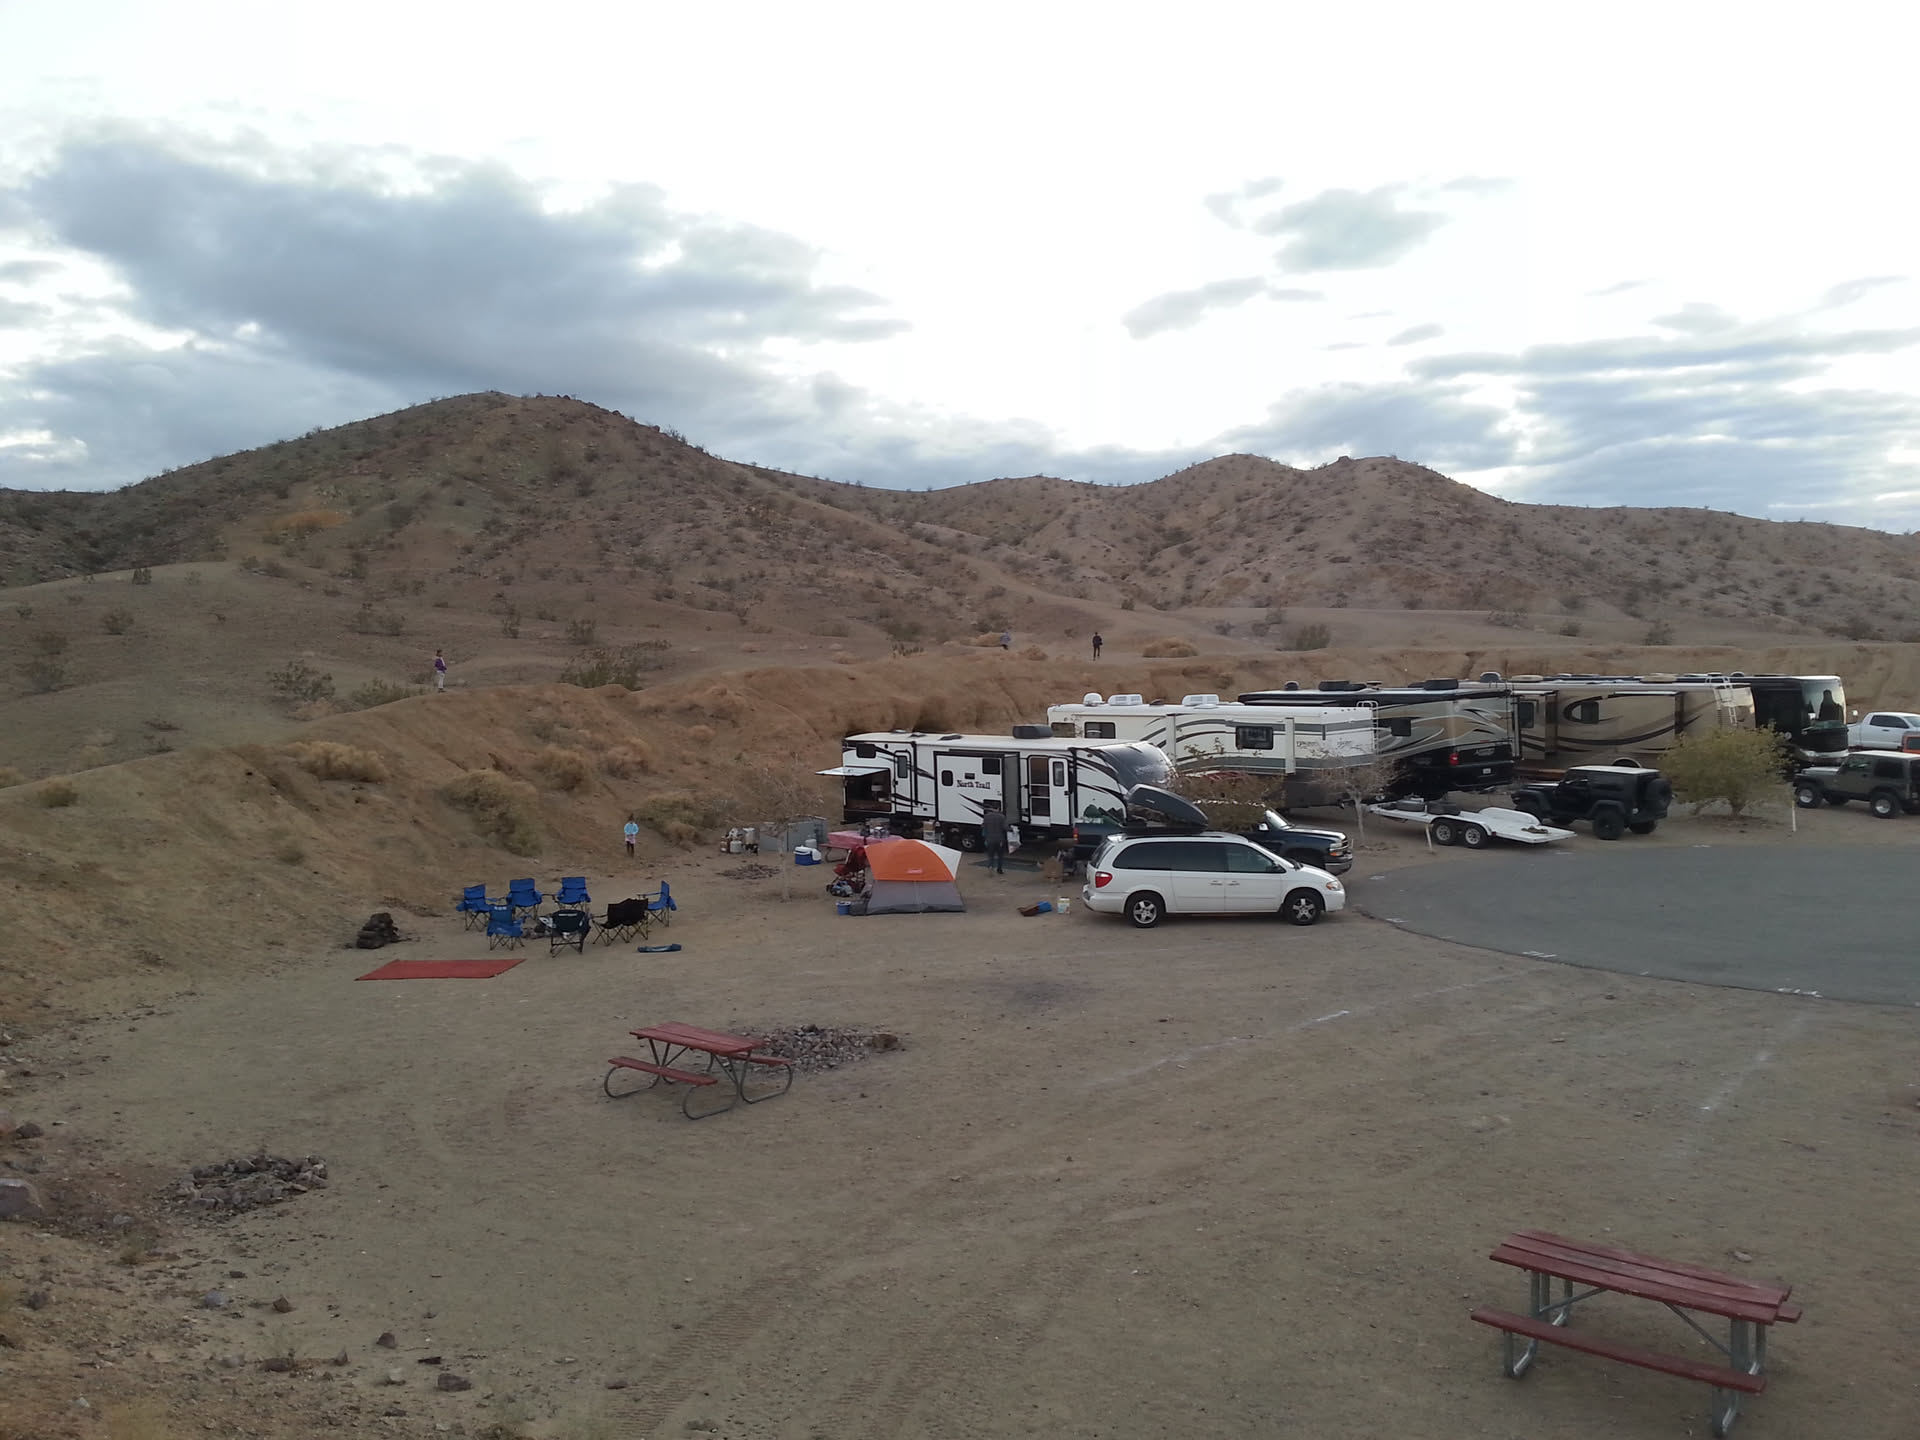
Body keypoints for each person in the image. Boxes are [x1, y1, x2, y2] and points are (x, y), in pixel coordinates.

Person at [981, 803, 1009, 875]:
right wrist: (1012, 829)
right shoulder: (1002, 817)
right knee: (1000, 855)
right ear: (998, 808)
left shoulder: (986, 816)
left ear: (992, 808)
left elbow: (983, 826)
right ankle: (999, 869)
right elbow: (1005, 827)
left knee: (991, 855)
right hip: (1000, 840)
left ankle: (990, 867)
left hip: (990, 839)